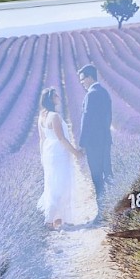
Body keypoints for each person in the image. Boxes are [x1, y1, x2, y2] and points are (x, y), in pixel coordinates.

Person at [37, 87, 97, 230]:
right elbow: (61, 138)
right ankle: (51, 220)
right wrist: (76, 152)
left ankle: (57, 219)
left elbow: (41, 139)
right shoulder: (54, 116)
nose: (58, 96)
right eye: (56, 95)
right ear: (51, 99)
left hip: (48, 152)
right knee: (61, 185)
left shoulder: (42, 116)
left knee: (53, 183)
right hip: (58, 152)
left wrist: (42, 157)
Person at [77, 64, 113, 213]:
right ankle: (113, 209)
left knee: (97, 176)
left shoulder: (91, 94)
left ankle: (102, 212)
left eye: (83, 79)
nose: (81, 82)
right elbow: (108, 118)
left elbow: (87, 120)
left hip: (94, 143)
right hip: (105, 140)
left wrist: (82, 144)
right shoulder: (104, 92)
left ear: (90, 77)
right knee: (107, 174)